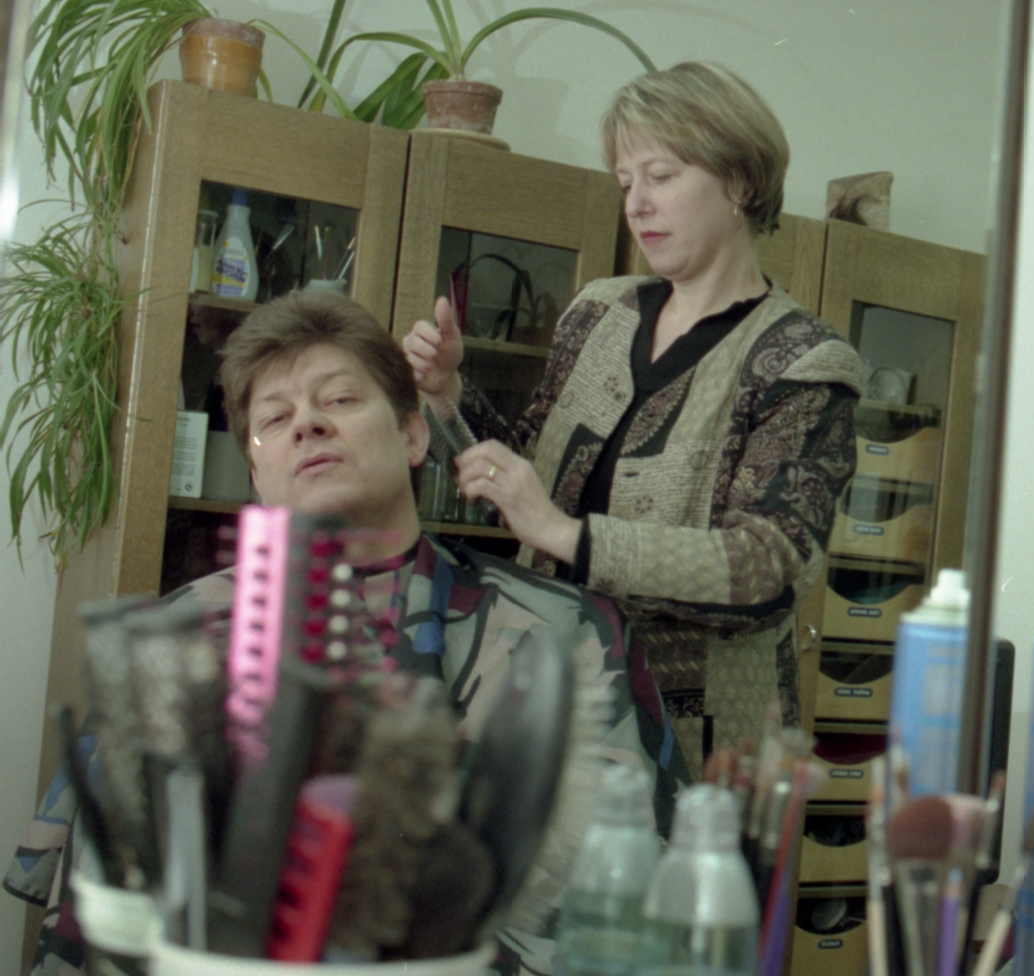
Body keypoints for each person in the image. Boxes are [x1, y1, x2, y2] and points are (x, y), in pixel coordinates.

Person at [6, 290, 692, 975]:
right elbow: (99, 935)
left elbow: (637, 910)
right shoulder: (167, 647)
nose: (307, 424)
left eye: (338, 399)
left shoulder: (568, 631)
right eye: (275, 418)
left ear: (414, 435)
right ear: (256, 475)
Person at [403, 62, 862, 765]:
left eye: (661, 176)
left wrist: (566, 534)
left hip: (702, 747)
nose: (637, 205)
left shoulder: (804, 360)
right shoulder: (598, 312)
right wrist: (447, 393)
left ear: (741, 184)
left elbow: (765, 568)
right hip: (547, 704)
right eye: (625, 183)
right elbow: (528, 484)